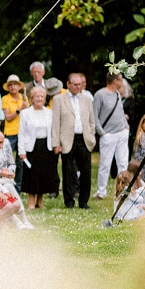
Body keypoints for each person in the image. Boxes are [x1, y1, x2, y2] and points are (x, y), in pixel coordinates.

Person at [51, 72, 96, 208]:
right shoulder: (59, 99)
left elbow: (91, 121)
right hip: (67, 139)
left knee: (86, 171)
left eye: (80, 84)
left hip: (84, 138)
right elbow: (55, 123)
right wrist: (56, 143)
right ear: (68, 84)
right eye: (75, 84)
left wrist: (91, 137)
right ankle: (69, 201)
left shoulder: (87, 99)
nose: (78, 87)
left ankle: (84, 201)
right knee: (68, 171)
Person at [18, 85, 58, 209]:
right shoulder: (25, 113)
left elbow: (54, 131)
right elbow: (22, 133)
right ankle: (30, 202)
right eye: (37, 97)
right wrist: (21, 150)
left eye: (42, 96)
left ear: (45, 98)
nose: (39, 99)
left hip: (46, 147)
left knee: (44, 175)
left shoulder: (50, 113)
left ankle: (40, 201)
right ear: (32, 98)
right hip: (31, 148)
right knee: (32, 175)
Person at [92, 72, 130, 198]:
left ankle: (122, 189)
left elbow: (120, 111)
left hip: (122, 132)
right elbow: (95, 116)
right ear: (115, 81)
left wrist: (126, 126)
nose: (122, 82)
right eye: (121, 80)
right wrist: (102, 133)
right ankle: (101, 192)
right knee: (105, 164)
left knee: (123, 162)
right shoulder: (100, 95)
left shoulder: (118, 94)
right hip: (108, 134)